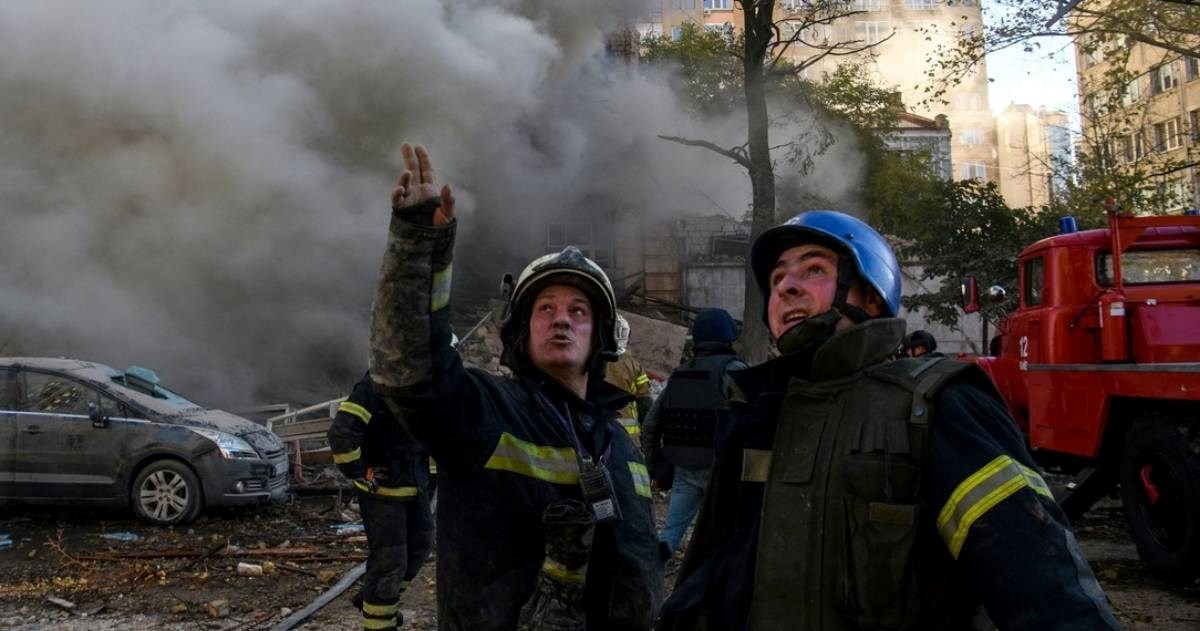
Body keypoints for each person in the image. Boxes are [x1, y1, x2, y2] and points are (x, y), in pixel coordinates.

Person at [656, 210, 1118, 630]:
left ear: (872, 297)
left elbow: (1043, 586)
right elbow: (711, 576)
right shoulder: (755, 416)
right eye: (777, 279)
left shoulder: (937, 405)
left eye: (813, 269)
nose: (785, 287)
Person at [367, 144, 661, 631]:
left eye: (578, 311)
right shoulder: (486, 411)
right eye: (544, 308)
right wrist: (419, 244)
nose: (561, 320)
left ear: (603, 337)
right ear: (521, 333)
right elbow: (410, 371)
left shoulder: (620, 445)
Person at [327, 373, 434, 631]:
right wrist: (361, 471)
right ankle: (379, 622)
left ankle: (376, 601)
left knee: (419, 550)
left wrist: (432, 479)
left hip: (416, 488)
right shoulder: (374, 385)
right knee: (390, 564)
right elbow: (341, 433)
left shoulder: (426, 386)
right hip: (383, 495)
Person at [642, 308, 745, 560]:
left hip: (684, 469)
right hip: (721, 469)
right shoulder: (734, 370)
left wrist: (653, 463)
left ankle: (655, 575)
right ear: (728, 336)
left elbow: (651, 423)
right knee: (729, 534)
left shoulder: (679, 374)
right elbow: (751, 418)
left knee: (670, 532)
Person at [605, 314, 655, 443]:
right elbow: (645, 402)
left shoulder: (588, 363)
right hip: (630, 437)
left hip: (598, 434)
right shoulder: (633, 365)